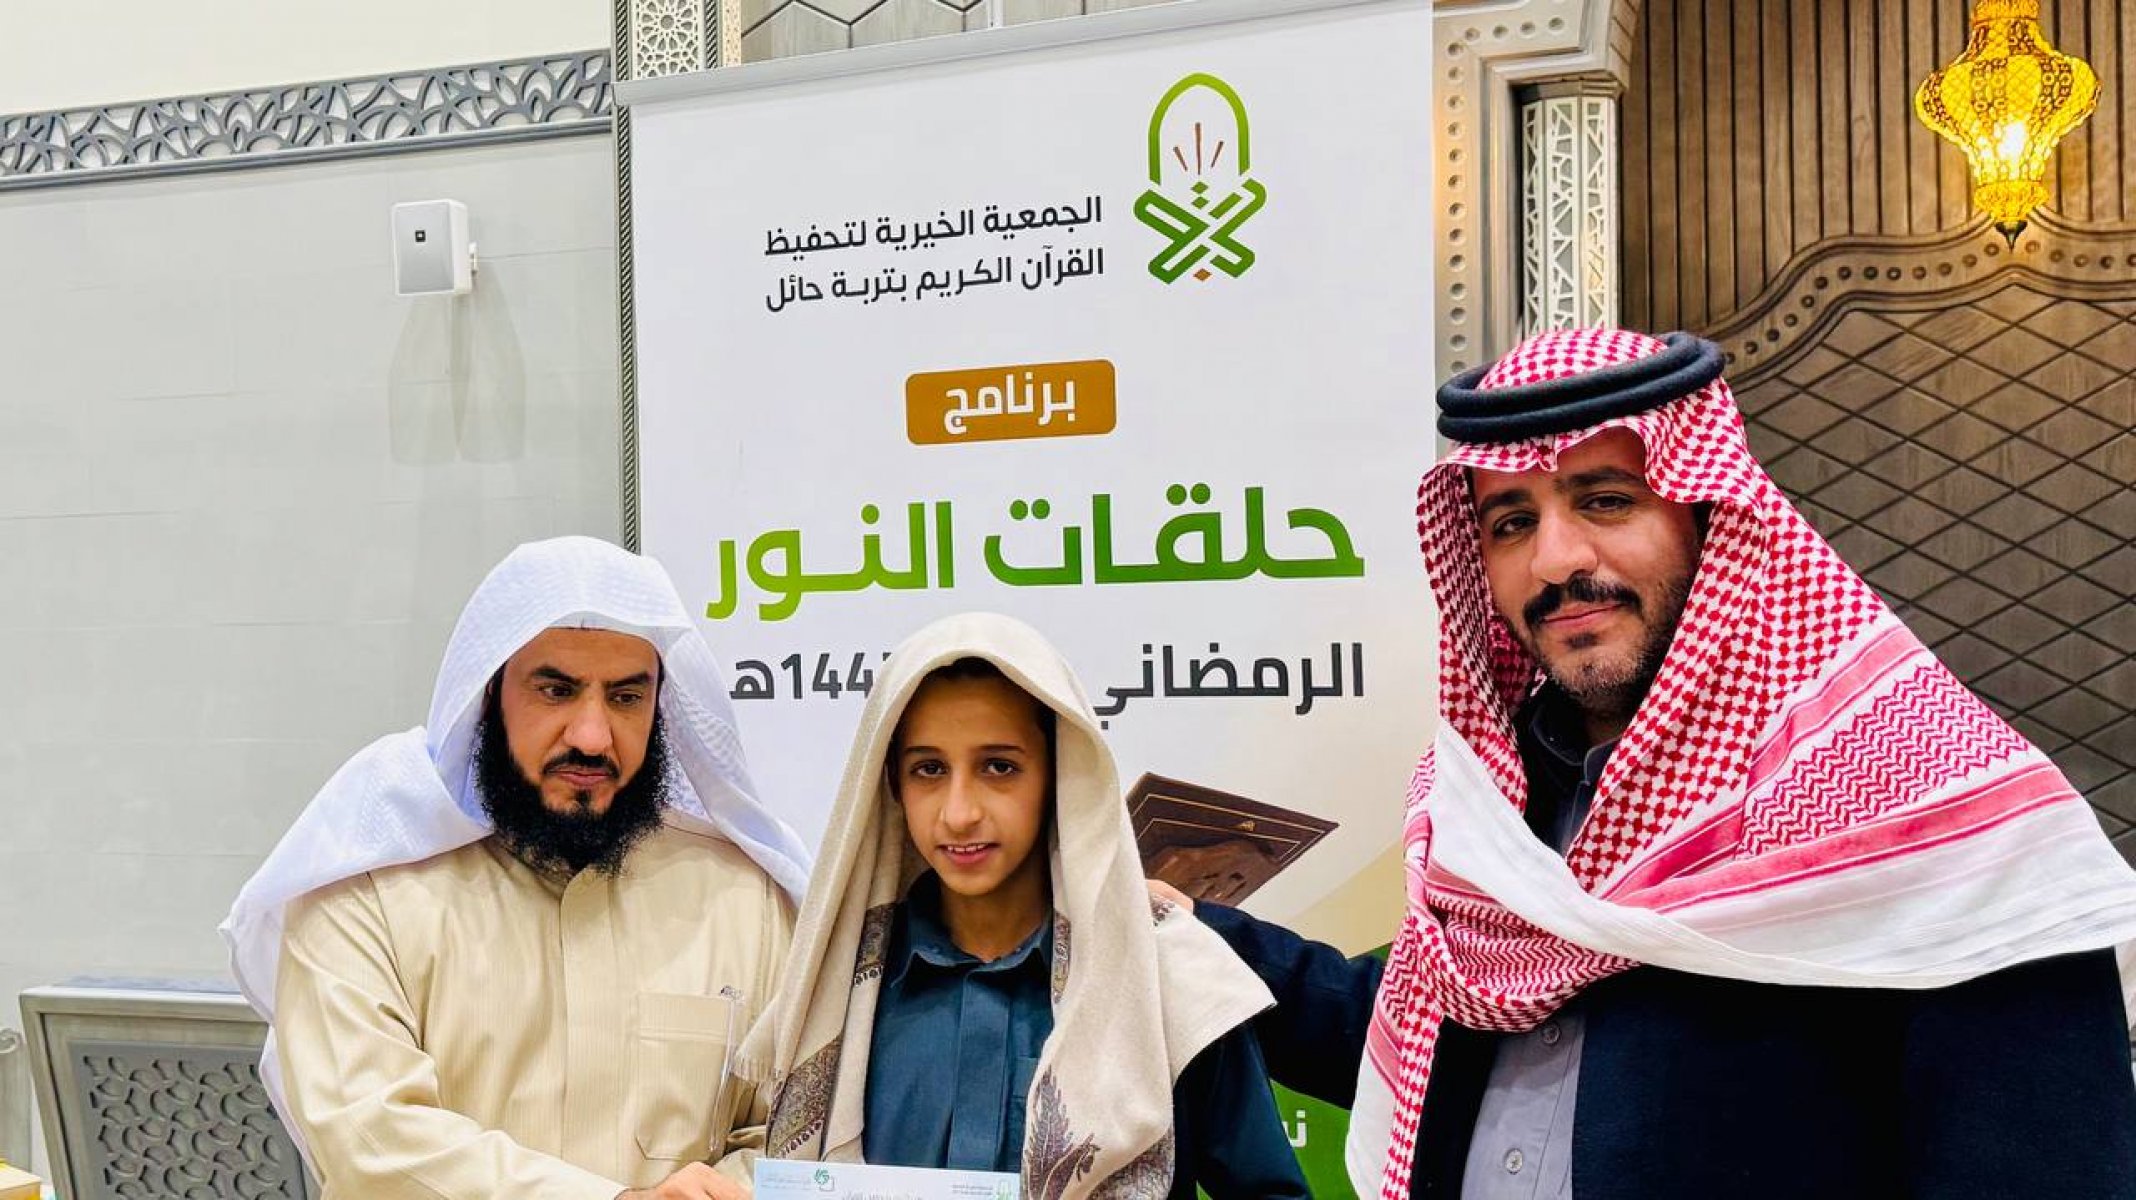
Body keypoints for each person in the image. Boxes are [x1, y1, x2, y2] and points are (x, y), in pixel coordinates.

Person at [1178, 328, 2136, 1199]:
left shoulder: (1939, 816)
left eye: (1606, 501)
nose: (1555, 561)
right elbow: (1424, 1032)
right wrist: (1173, 931)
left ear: (1710, 519)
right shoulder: (1499, 802)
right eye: (1511, 521)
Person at [220, 536, 814, 1200]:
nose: (592, 736)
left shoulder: (746, 900)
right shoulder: (364, 892)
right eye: (556, 690)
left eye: (625, 697)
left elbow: (793, 1138)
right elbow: (370, 1142)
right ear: (489, 696)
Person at [736, 612, 1308, 1199]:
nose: (959, 813)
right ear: (893, 785)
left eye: (999, 767)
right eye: (929, 769)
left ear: (1059, 775)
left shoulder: (1167, 975)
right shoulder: (839, 992)